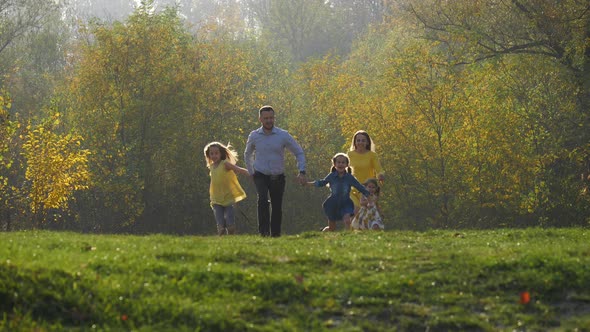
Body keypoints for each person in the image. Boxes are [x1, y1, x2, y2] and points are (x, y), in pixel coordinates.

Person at [244, 105, 307, 237]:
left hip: (277, 176)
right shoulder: (254, 135)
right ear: (260, 119)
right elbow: (247, 154)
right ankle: (264, 232)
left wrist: (302, 171)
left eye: (271, 118)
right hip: (260, 174)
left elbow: (299, 152)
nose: (269, 121)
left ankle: (276, 234)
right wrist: (251, 172)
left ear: (274, 118)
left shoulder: (283, 135)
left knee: (277, 206)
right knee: (262, 200)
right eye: (266, 118)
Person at [306, 153, 370, 232]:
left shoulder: (349, 177)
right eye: (338, 162)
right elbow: (322, 182)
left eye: (343, 162)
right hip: (333, 203)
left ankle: (347, 237)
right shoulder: (331, 176)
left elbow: (359, 187)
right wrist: (308, 183)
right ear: (335, 164)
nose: (341, 164)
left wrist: (369, 195)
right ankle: (323, 232)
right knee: (332, 228)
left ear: (347, 165)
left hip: (346, 203)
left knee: (347, 220)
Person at [204, 141, 250, 236]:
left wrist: (252, 175)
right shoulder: (211, 167)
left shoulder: (225, 164)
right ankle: (221, 238)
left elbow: (239, 169)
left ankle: (231, 236)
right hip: (216, 199)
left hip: (229, 198)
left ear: (221, 154)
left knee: (230, 225)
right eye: (211, 154)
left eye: (216, 153)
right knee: (220, 225)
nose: (214, 155)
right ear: (209, 155)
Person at [347, 130, 385, 215]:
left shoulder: (372, 155)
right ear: (355, 142)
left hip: (366, 189)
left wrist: (380, 175)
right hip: (351, 189)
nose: (360, 143)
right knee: (355, 210)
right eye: (358, 140)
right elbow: (343, 168)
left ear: (367, 142)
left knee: (364, 214)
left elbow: (379, 169)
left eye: (363, 140)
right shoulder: (349, 155)